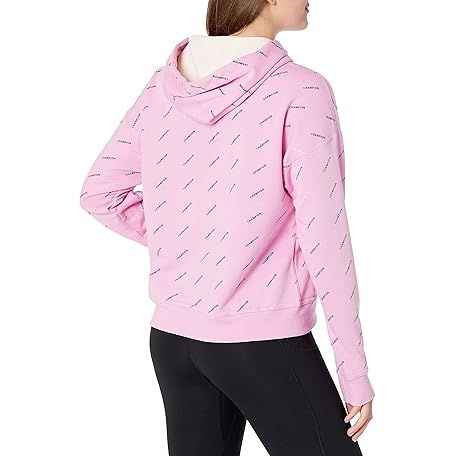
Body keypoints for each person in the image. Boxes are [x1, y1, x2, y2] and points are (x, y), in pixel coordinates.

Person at [79, 0, 375, 454]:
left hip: (174, 340)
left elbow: (101, 191)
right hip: (262, 341)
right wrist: (354, 373)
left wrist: (195, 242)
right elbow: (325, 237)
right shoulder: (302, 90)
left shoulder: (164, 86)